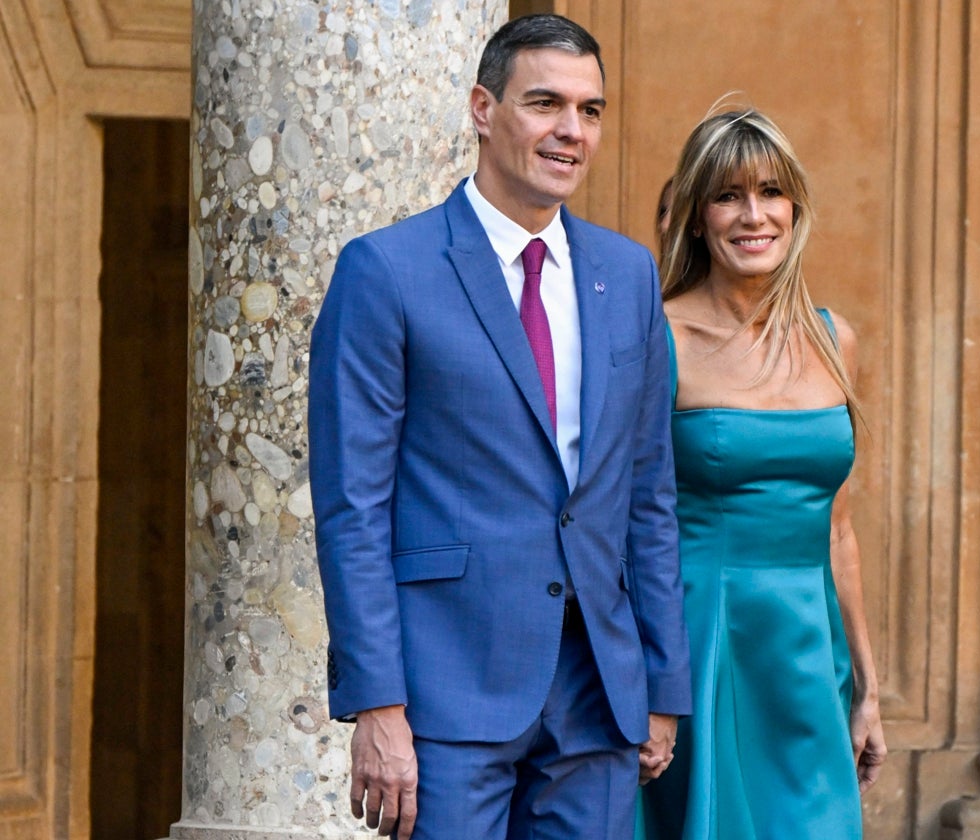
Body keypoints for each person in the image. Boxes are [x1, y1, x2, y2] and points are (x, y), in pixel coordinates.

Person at [308, 14, 691, 840]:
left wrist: (661, 683)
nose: (571, 131)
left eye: (590, 111)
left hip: (598, 689)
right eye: (545, 103)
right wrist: (377, 702)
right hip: (447, 689)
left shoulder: (627, 274)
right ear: (483, 108)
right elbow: (352, 508)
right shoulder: (385, 271)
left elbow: (648, 493)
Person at [638, 108, 886, 839]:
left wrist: (868, 687)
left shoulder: (834, 336)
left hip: (809, 654)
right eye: (728, 195)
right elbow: (624, 523)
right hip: (702, 641)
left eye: (771, 192)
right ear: (695, 215)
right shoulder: (659, 336)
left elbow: (838, 529)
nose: (754, 215)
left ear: (795, 208)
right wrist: (647, 681)